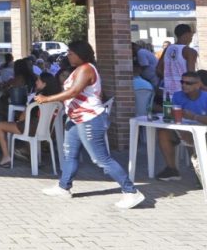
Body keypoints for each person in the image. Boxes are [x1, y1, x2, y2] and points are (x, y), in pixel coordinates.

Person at [36, 40, 144, 209]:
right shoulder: (78, 69)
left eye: (71, 53)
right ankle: (64, 187)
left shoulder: (86, 69)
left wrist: (47, 98)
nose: (68, 56)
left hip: (90, 119)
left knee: (101, 159)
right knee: (69, 154)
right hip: (76, 118)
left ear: (81, 54)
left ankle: (131, 192)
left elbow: (73, 91)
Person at [0, 73, 61, 167]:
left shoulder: (39, 97)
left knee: (0, 125)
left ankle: (6, 157)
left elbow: (23, 116)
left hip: (32, 127)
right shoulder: (55, 98)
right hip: (47, 129)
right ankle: (28, 154)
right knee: (24, 127)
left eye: (38, 80)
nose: (36, 82)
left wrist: (19, 121)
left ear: (44, 83)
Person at [154, 71, 207, 182]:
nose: (184, 85)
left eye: (188, 83)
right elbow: (173, 115)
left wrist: (194, 117)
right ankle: (172, 170)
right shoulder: (178, 95)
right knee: (163, 131)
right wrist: (168, 112)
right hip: (184, 130)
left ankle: (201, 173)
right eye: (182, 82)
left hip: (203, 133)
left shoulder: (205, 97)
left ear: (198, 85)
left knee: (195, 136)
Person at [157, 24, 198, 97]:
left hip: (168, 93)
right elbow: (191, 75)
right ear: (187, 34)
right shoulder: (190, 51)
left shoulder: (167, 49)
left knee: (168, 105)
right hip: (184, 94)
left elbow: (158, 70)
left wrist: (169, 79)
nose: (191, 38)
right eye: (191, 35)